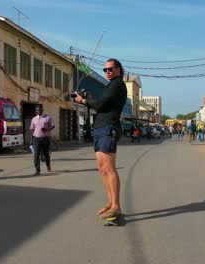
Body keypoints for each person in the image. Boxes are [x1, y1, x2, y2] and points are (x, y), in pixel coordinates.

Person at [74, 58, 127, 225]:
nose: (107, 72)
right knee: (102, 168)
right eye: (105, 70)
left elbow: (101, 104)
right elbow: (101, 103)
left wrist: (83, 101)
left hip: (108, 128)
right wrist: (90, 99)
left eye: (110, 69)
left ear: (118, 69)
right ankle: (111, 202)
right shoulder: (110, 86)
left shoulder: (118, 84)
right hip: (100, 128)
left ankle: (116, 206)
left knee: (109, 168)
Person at [30, 105, 55, 176]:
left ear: (42, 110)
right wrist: (31, 140)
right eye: (38, 110)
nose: (39, 111)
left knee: (46, 154)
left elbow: (53, 126)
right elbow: (32, 130)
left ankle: (48, 165)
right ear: (36, 111)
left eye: (40, 110)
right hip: (36, 139)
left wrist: (47, 129)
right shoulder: (34, 119)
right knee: (36, 155)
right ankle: (37, 170)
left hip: (45, 138)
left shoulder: (48, 117)